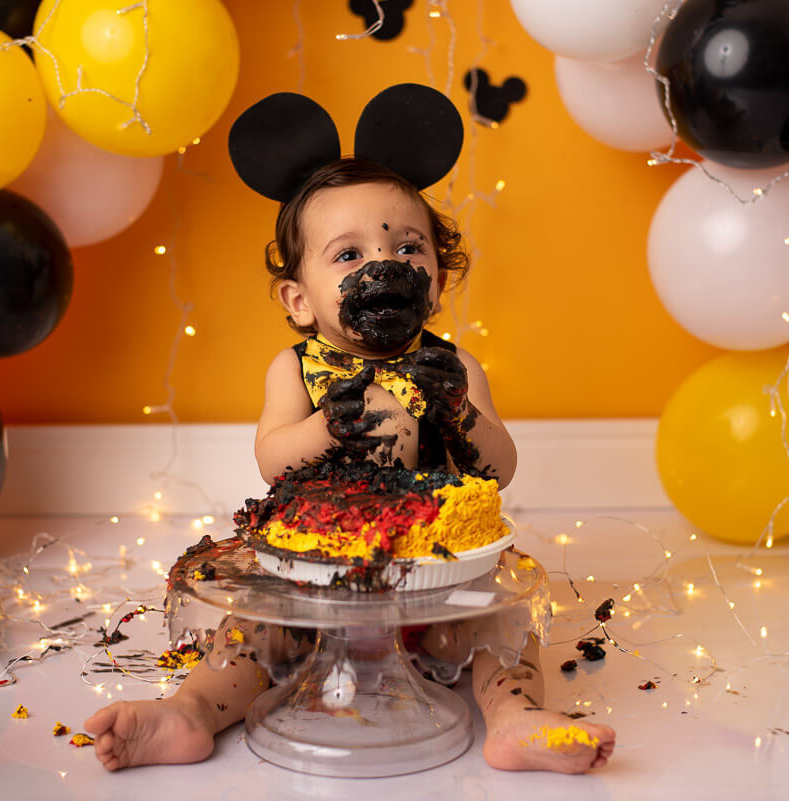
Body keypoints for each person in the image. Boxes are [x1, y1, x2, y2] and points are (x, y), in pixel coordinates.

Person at [85, 87, 615, 774]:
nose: (383, 264)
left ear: (435, 275)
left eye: (407, 246)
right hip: (317, 581)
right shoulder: (297, 369)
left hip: (439, 580)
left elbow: (500, 466)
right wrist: (327, 426)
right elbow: (274, 457)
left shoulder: (451, 367)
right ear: (298, 299)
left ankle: (514, 717)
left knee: (504, 633)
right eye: (348, 254)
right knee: (248, 635)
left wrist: (455, 408)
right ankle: (189, 713)